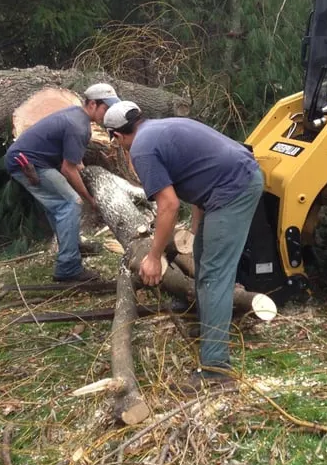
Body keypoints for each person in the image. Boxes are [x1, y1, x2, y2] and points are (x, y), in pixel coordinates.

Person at [103, 101, 264, 392]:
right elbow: (199, 172)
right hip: (226, 184)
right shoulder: (160, 128)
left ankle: (217, 372)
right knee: (203, 256)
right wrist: (196, 227)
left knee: (215, 274)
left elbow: (169, 205)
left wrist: (153, 257)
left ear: (117, 136)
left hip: (235, 188)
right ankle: (209, 326)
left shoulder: (141, 149)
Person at [5, 83, 120, 282]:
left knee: (58, 206)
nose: (108, 114)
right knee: (70, 203)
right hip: (28, 164)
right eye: (106, 108)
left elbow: (75, 161)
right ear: (92, 104)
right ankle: (68, 268)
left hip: (31, 160)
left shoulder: (77, 116)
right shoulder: (78, 125)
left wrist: (87, 180)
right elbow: (68, 169)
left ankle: (72, 245)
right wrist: (88, 198)